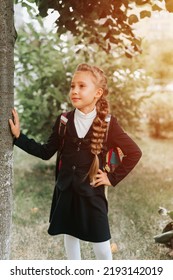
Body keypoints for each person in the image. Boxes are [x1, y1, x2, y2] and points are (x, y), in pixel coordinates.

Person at [9, 63, 142, 260]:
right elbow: (46, 152)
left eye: (82, 86)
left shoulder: (108, 124)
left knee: (103, 247)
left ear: (97, 93)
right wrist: (19, 137)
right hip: (66, 190)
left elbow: (134, 152)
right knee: (70, 235)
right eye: (73, 86)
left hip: (92, 193)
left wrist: (112, 178)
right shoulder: (63, 120)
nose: (75, 91)